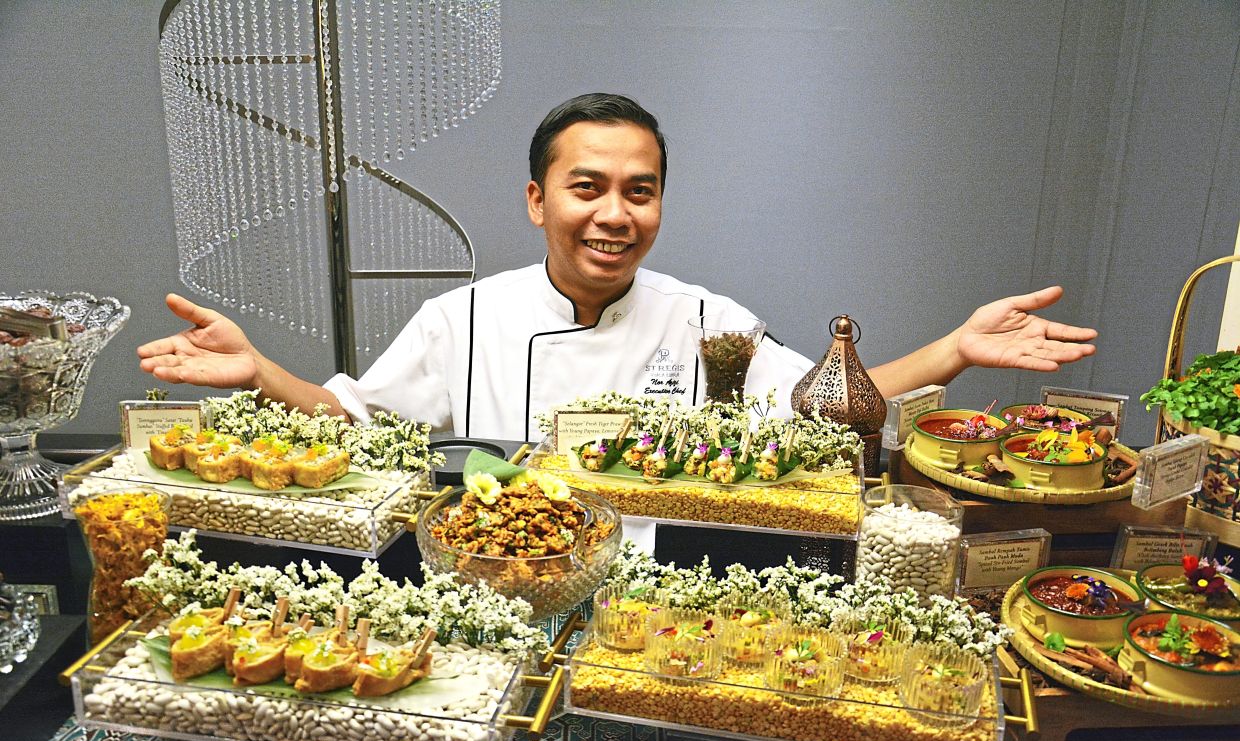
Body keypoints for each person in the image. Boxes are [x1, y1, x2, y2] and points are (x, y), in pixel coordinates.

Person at [139, 93, 1097, 442]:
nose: (613, 214)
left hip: (654, 593)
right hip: (500, 578)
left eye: (640, 191)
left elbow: (821, 402)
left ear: (661, 205)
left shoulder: (703, 319)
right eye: (586, 186)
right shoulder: (462, 318)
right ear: (535, 199)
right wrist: (259, 372)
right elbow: (356, 421)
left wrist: (954, 351)